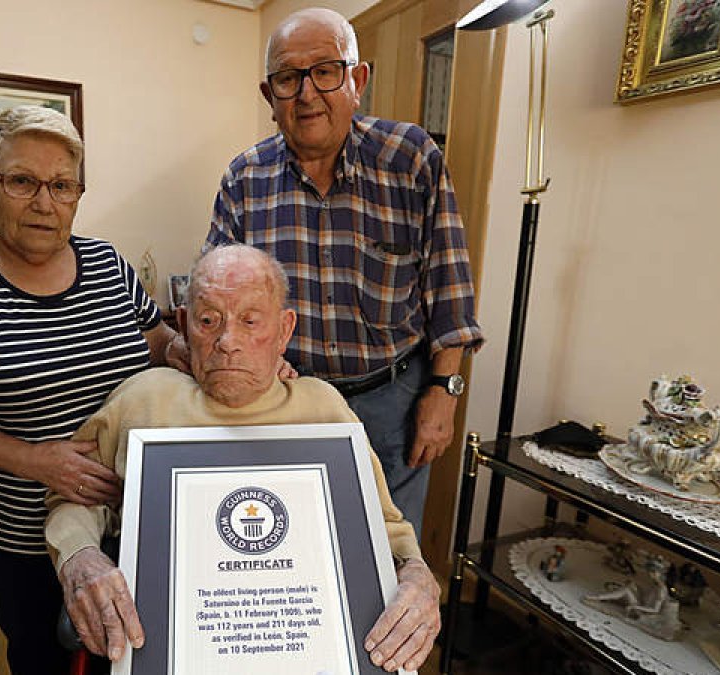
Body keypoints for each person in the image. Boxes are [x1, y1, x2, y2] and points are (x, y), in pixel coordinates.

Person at [45, 245, 441, 673]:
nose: (228, 343)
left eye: (251, 321)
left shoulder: (322, 410)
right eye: (208, 321)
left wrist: (417, 575)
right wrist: (80, 556)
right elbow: (74, 501)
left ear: (284, 330)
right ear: (183, 325)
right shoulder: (144, 400)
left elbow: (384, 528)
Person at [0, 105, 179, 674]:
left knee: (134, 657)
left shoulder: (107, 263)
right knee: (43, 657)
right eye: (22, 181)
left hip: (130, 519)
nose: (45, 203)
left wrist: (227, 354)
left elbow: (161, 343)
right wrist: (36, 462)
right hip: (21, 534)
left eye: (62, 185)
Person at [205, 7, 484, 538]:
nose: (307, 94)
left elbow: (450, 288)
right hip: (288, 399)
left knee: (387, 556)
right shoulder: (244, 177)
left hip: (393, 402)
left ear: (358, 80)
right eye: (288, 78)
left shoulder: (411, 159)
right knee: (295, 547)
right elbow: (215, 295)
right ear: (270, 97)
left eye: (326, 71)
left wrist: (444, 392)